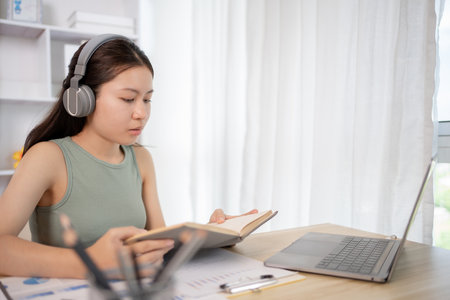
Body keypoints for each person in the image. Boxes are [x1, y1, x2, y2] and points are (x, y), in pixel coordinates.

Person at [0, 34, 255, 279]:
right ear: (83, 99)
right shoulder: (47, 157)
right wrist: (91, 264)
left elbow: (160, 245)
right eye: (128, 99)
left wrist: (211, 237)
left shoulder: (141, 159)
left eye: (147, 99)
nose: (141, 113)